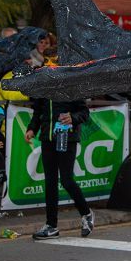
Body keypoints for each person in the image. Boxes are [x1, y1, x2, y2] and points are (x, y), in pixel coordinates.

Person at [26, 95, 94, 239]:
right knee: (50, 182)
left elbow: (84, 113)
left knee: (66, 180)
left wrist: (73, 118)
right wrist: (32, 129)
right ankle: (51, 226)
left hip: (66, 138)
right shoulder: (43, 87)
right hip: (47, 139)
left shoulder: (70, 85)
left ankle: (87, 214)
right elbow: (38, 112)